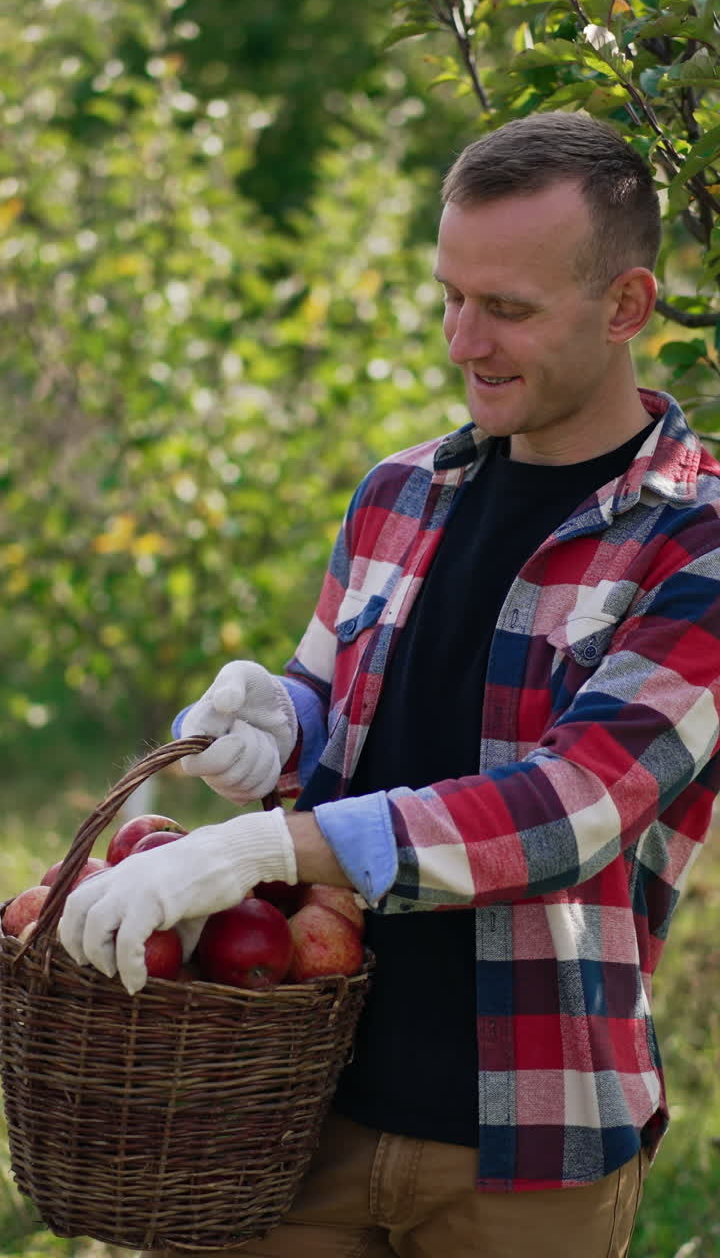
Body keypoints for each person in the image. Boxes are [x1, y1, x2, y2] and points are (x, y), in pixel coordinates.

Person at [59, 111, 720, 1258]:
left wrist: (263, 848)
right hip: (297, 1095)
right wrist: (273, 716)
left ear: (626, 307)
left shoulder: (695, 547)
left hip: (528, 1137)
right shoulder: (398, 492)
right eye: (449, 296)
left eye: (507, 307)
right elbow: (334, 701)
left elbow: (570, 808)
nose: (466, 340)